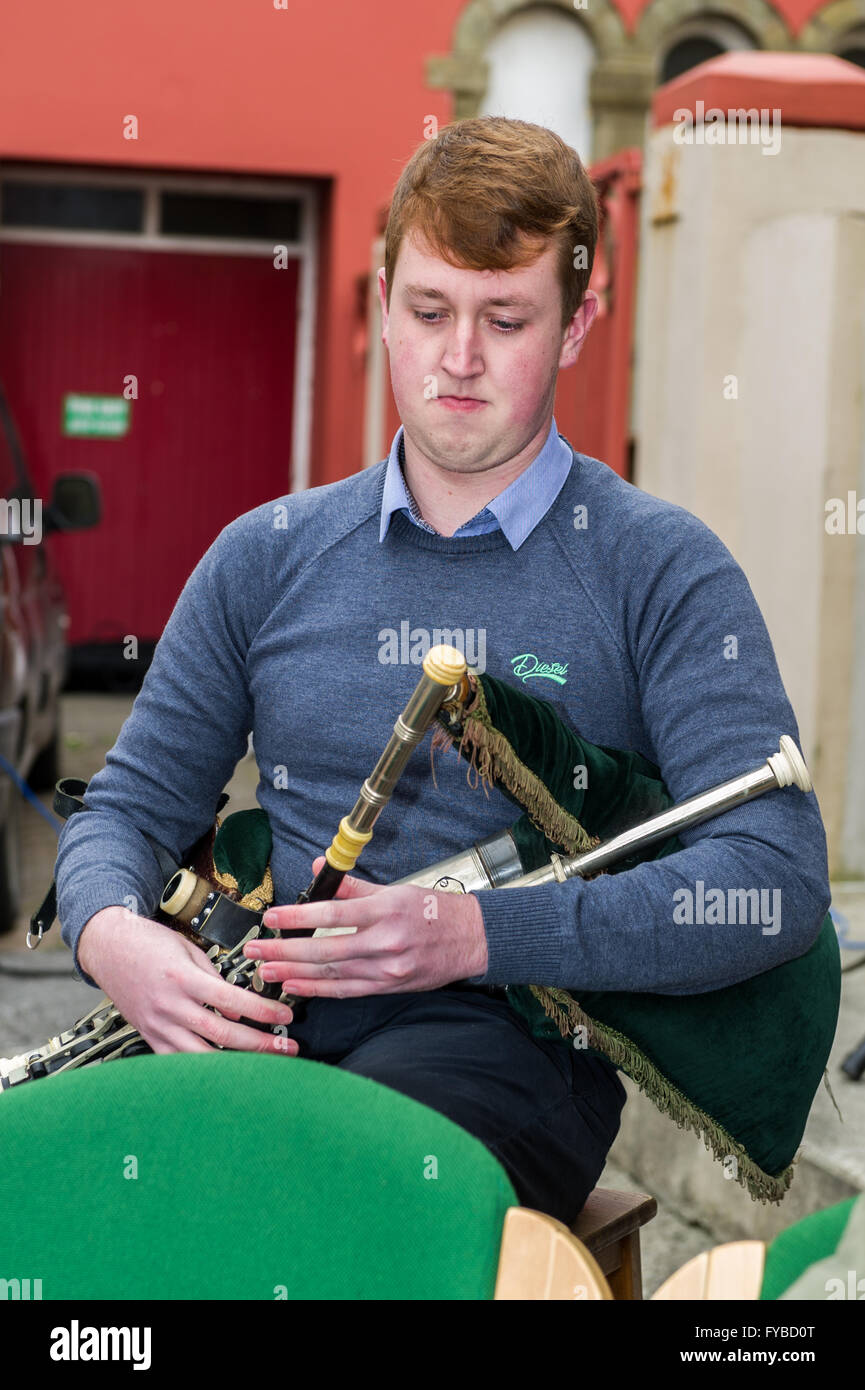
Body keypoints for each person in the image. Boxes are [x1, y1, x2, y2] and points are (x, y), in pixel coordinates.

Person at [54, 117, 829, 1226]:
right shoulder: (264, 554)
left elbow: (775, 878)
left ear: (575, 328)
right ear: (381, 305)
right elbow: (122, 812)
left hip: (509, 1048)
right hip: (264, 1024)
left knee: (322, 1202)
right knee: (59, 1197)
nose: (457, 358)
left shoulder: (660, 567)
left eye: (504, 319)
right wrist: (111, 935)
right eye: (428, 312)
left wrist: (476, 936)